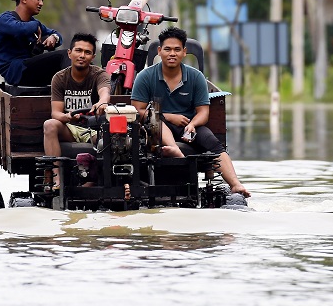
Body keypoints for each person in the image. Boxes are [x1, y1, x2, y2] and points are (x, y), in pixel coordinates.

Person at [131, 27, 251, 198]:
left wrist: (193, 124)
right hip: (155, 127)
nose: (172, 53)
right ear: (159, 51)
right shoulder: (145, 76)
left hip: (187, 126)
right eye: (167, 49)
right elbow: (138, 110)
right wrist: (168, 116)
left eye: (177, 49)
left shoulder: (196, 77)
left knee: (213, 142)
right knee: (156, 118)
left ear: (184, 52)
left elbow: (204, 112)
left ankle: (236, 184)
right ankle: (174, 150)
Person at [43, 33, 110, 190]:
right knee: (50, 124)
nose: (82, 56)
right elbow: (56, 113)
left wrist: (102, 102)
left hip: (94, 128)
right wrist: (67, 117)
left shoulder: (99, 74)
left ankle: (97, 180)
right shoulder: (59, 78)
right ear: (69, 53)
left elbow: (105, 92)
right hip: (69, 128)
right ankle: (55, 178)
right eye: (78, 51)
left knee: (110, 138)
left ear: (93, 56)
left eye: (87, 52)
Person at [0, 0, 68, 86]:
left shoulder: (34, 22)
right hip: (16, 71)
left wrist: (53, 38)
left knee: (76, 57)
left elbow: (57, 35)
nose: (41, 3)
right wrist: (35, 26)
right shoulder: (5, 19)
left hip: (29, 68)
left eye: (42, 0)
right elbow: (19, 29)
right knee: (64, 56)